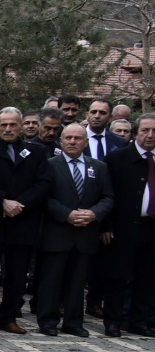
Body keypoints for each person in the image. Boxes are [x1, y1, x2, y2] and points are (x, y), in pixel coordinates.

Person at [0, 107, 49, 334]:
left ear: (21, 126)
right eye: (3, 125)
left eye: (12, 124)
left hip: (23, 222)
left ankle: (7, 317)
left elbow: (43, 184)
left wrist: (20, 205)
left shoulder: (36, 152)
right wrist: (3, 202)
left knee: (17, 275)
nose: (8, 129)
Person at [36, 124, 113, 337]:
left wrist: (93, 214)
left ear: (85, 142)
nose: (72, 142)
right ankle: (48, 320)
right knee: (51, 280)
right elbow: (44, 197)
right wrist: (67, 214)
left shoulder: (99, 167)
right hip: (57, 231)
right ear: (61, 141)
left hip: (85, 233)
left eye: (77, 138)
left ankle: (73, 322)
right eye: (68, 138)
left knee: (78, 282)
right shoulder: (49, 165)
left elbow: (108, 197)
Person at [103, 115, 155, 336]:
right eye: (145, 130)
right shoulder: (117, 158)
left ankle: (139, 321)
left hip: (151, 228)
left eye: (154, 131)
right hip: (122, 228)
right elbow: (106, 194)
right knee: (118, 277)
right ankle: (113, 321)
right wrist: (106, 225)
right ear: (135, 132)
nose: (150, 135)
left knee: (147, 277)